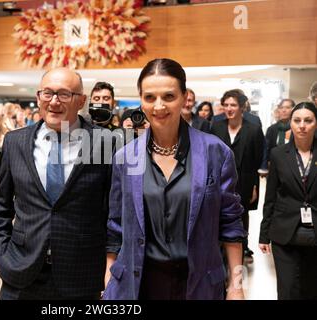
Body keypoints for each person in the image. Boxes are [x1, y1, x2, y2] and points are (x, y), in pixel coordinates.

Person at [104, 58, 246, 300]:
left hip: (197, 282)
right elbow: (115, 226)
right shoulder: (125, 158)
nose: (159, 106)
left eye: (169, 96)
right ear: (141, 100)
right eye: (149, 97)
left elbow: (230, 224)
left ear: (183, 97)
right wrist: (109, 282)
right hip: (139, 285)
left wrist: (236, 285)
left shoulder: (216, 153)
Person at [0, 67, 113, 300]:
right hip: (21, 273)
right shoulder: (16, 142)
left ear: (81, 101)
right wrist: (2, 255)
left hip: (81, 277)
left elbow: (114, 212)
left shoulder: (105, 143)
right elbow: (0, 207)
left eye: (64, 94)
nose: (54, 101)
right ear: (38, 97)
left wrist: (110, 266)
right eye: (47, 93)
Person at [259, 102, 317, 300]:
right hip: (284, 231)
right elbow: (271, 196)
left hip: (315, 231)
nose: (302, 125)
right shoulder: (278, 154)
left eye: (308, 121)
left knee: (311, 288)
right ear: (290, 123)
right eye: (297, 120)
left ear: (316, 124)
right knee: (288, 288)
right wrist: (264, 234)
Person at [211, 89, 265, 259]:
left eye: (233, 105)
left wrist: (255, 186)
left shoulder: (254, 130)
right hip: (219, 182)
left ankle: (239, 254)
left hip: (245, 181)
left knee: (241, 216)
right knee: (217, 216)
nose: (229, 108)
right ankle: (219, 255)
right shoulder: (216, 126)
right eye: (226, 105)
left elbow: (258, 159)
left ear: (242, 107)